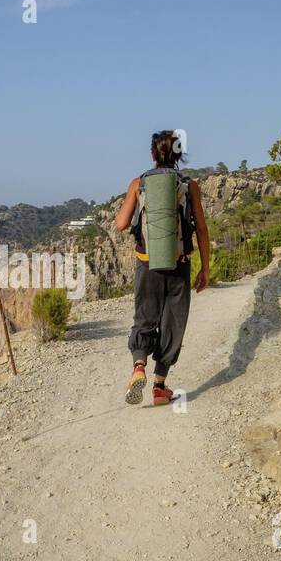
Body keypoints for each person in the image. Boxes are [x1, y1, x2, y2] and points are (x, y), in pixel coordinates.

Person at [113, 130, 210, 406]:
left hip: (147, 266)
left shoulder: (138, 182)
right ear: (178, 155)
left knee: (145, 318)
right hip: (179, 265)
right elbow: (201, 230)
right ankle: (159, 386)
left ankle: (139, 367)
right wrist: (205, 268)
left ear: (153, 154)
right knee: (173, 324)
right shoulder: (189, 185)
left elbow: (121, 224)